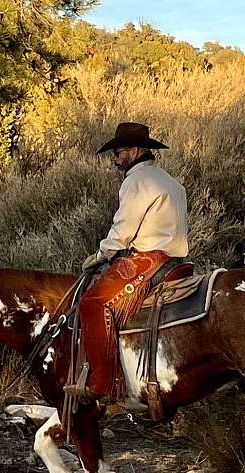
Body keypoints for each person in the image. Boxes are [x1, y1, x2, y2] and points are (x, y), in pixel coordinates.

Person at [65, 122, 188, 401]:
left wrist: (100, 255)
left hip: (147, 260)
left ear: (134, 151)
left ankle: (103, 384)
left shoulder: (136, 181)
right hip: (176, 259)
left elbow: (122, 232)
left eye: (118, 152)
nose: (115, 159)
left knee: (92, 304)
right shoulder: (170, 181)